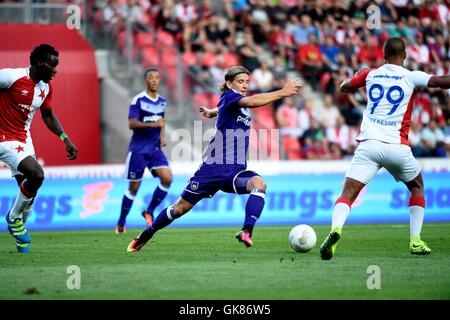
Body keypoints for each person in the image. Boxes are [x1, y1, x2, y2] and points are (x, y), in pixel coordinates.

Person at [127, 66, 302, 252]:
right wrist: (282, 93)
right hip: (213, 168)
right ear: (229, 83)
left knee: (259, 184)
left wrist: (213, 111)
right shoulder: (231, 97)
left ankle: (246, 231)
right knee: (180, 208)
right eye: (240, 81)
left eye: (246, 82)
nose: (244, 85)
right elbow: (249, 102)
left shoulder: (230, 101)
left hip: (234, 171)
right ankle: (147, 233)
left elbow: (227, 108)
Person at [319, 37, 450, 260]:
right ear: (405, 55)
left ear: (383, 54)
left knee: (348, 194)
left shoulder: (371, 73)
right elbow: (441, 82)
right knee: (417, 186)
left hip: (369, 145)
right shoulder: (411, 76)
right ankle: (415, 241)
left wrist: (353, 78)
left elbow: (345, 87)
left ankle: (336, 229)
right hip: (397, 146)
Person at [0, 44, 78, 253]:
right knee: (37, 174)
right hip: (4, 139)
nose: (56, 70)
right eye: (53, 66)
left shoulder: (45, 88)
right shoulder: (10, 77)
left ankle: (20, 236)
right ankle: (13, 218)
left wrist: (65, 138)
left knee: (30, 198)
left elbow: (48, 115)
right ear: (41, 64)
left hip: (23, 140)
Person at [115, 68, 172, 233]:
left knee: (167, 178)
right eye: (151, 78)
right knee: (134, 187)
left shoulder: (162, 101)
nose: (154, 80)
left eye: (157, 78)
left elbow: (162, 120)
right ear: (146, 80)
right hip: (139, 150)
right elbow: (132, 124)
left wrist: (161, 136)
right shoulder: (138, 100)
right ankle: (121, 222)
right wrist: (152, 125)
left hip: (154, 149)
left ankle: (149, 211)